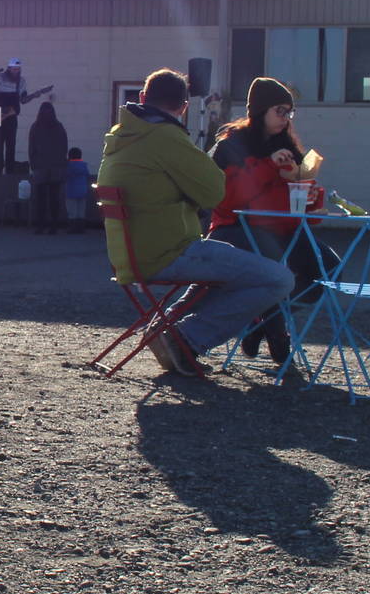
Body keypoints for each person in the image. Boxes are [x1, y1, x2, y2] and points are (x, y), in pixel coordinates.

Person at [95, 67, 294, 376]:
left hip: (129, 255)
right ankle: (186, 337)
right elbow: (215, 192)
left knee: (227, 267)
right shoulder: (167, 137)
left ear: (143, 97)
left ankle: (166, 329)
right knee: (279, 278)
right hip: (169, 251)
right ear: (184, 107)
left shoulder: (121, 136)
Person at [204, 77, 326, 364]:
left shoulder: (289, 146)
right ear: (259, 111)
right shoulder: (230, 146)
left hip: (283, 230)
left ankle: (264, 321)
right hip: (235, 228)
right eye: (279, 111)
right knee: (274, 265)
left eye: (289, 111)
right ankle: (275, 328)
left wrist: (312, 199)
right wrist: (269, 166)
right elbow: (227, 198)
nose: (286, 118)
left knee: (326, 271)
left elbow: (296, 199)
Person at [0, 58, 46, 174]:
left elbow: (23, 100)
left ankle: (10, 171)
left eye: (18, 70)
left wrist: (34, 96)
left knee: (11, 143)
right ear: (9, 69)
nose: (16, 72)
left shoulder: (22, 82)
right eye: (14, 69)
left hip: (12, 116)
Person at [26, 100, 69, 233]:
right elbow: (64, 146)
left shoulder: (35, 126)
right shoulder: (58, 126)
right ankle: (54, 226)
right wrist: (62, 163)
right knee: (54, 198)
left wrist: (33, 164)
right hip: (56, 167)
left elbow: (31, 148)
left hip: (40, 167)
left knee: (40, 199)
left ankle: (40, 226)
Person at [63, 146, 92, 231]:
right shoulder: (84, 165)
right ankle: (81, 228)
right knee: (81, 211)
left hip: (71, 191)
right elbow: (88, 176)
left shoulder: (68, 166)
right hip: (82, 191)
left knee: (72, 211)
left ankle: (72, 228)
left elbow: (65, 176)